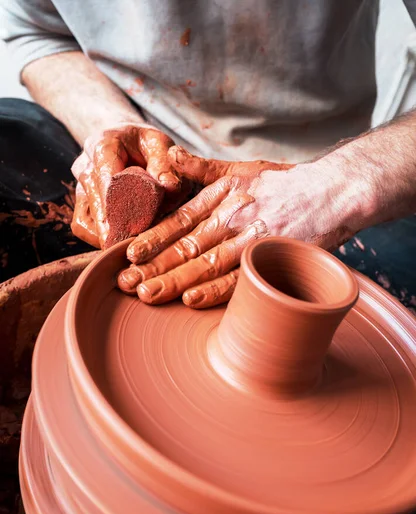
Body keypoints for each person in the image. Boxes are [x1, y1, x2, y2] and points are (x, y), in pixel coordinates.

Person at [0, 1, 415, 310]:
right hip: (139, 140)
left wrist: (345, 184)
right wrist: (109, 125)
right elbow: (38, 33)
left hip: (320, 167)